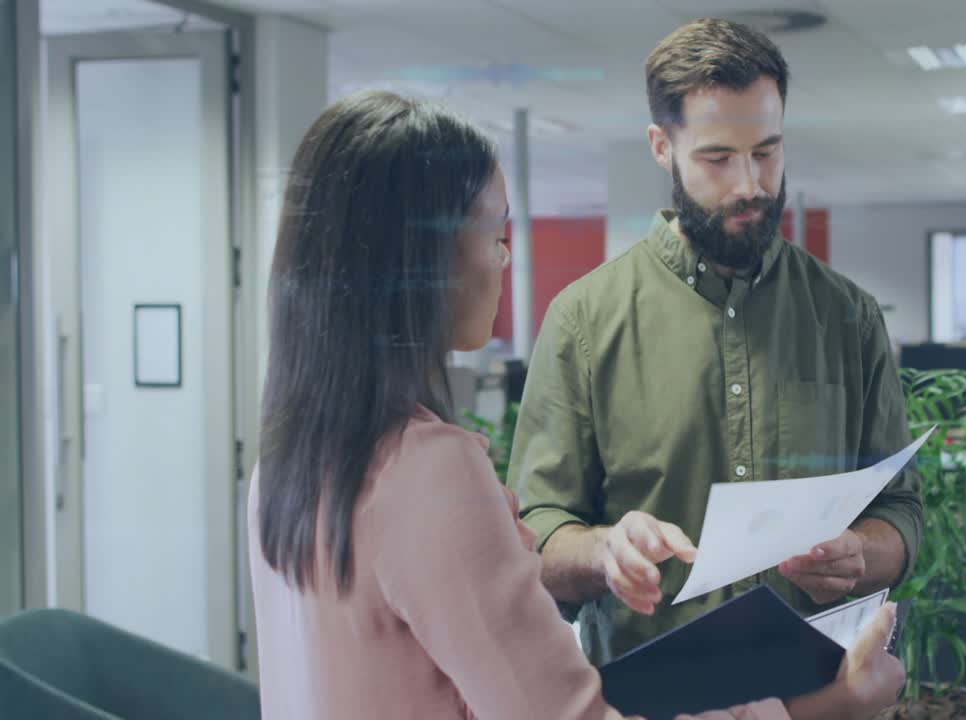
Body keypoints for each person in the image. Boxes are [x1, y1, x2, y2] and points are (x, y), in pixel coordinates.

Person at [247, 89, 906, 720]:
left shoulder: (284, 466)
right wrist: (834, 706)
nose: (506, 259)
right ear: (426, 256)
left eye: (766, 152)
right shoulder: (429, 472)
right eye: (496, 233)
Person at [509, 17, 924, 665]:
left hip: (816, 689)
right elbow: (534, 532)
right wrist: (602, 552)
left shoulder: (848, 316)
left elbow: (900, 509)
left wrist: (866, 554)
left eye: (766, 152)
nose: (750, 185)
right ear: (660, 145)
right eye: (717, 158)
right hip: (650, 695)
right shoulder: (583, 320)